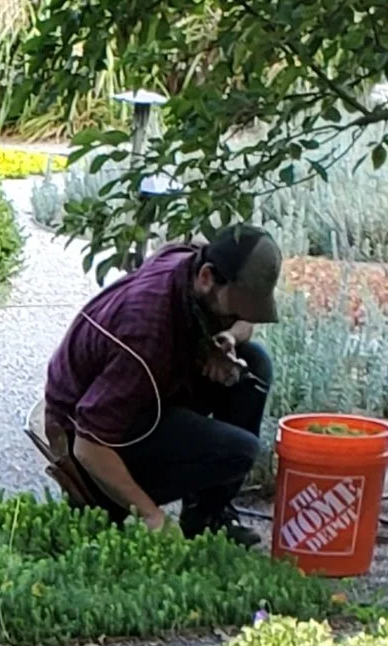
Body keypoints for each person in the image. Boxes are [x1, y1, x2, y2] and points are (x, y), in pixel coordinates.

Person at [36, 222, 283, 544]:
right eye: (230, 312)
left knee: (255, 363)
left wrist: (224, 339)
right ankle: (111, 503)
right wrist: (152, 517)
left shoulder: (191, 262)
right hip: (83, 436)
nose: (235, 317)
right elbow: (89, 444)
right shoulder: (144, 334)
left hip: (144, 393)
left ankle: (207, 517)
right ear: (207, 277)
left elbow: (243, 320)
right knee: (237, 451)